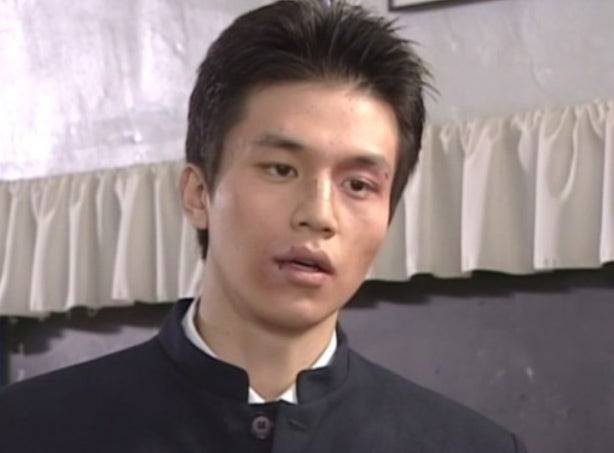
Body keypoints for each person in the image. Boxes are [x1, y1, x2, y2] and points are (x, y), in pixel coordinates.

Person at [0, 1, 528, 452]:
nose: (319, 214)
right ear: (198, 194)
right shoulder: (27, 429)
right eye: (281, 169)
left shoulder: (469, 446)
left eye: (358, 184)